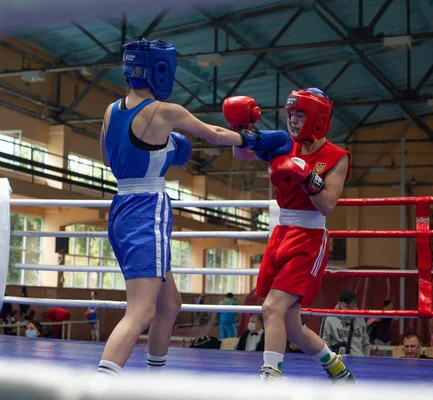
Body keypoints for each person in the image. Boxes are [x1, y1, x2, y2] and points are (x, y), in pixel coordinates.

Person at [96, 38, 292, 377]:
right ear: (161, 71)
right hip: (145, 210)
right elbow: (215, 134)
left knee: (169, 304)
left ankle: (154, 381)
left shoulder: (112, 110)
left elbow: (107, 157)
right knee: (140, 312)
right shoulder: (164, 111)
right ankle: (99, 387)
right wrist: (254, 139)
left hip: (122, 207)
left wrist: (162, 147)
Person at [228, 88, 355, 382]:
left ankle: (270, 377)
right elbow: (241, 154)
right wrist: (240, 127)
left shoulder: (337, 157)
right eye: (290, 114)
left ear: (318, 119)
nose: (293, 121)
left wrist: (306, 176)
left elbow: (327, 205)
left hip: (309, 236)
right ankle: (337, 368)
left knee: (271, 308)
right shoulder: (284, 144)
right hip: (281, 233)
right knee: (292, 325)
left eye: (300, 114)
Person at [320, 290, 371, 357]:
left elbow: (366, 344)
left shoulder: (360, 318)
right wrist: (330, 363)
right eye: (347, 306)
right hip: (338, 363)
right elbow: (324, 344)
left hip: (359, 363)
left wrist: (365, 361)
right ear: (339, 304)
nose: (351, 309)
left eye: (353, 305)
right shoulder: (329, 319)